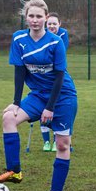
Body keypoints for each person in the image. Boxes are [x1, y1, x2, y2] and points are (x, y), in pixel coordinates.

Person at [0, 0, 79, 191]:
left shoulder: (55, 42)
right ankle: (14, 171)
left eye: (39, 16)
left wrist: (50, 108)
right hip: (38, 95)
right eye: (31, 16)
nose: (35, 20)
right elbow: (19, 72)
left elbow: (59, 77)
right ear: (25, 17)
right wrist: (15, 102)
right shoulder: (18, 39)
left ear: (46, 18)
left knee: (62, 144)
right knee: (8, 118)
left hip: (63, 96)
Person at [40, 14, 71, 152]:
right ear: (46, 24)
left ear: (60, 24)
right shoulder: (41, 34)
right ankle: (46, 142)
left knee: (57, 109)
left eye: (54, 24)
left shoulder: (63, 35)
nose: (51, 26)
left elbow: (59, 52)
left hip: (57, 76)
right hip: (42, 78)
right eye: (49, 24)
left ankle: (57, 141)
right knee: (43, 109)